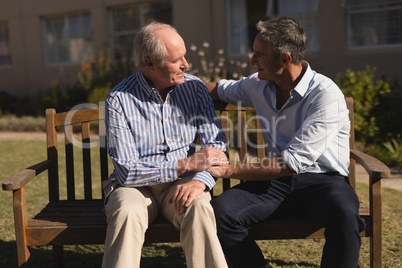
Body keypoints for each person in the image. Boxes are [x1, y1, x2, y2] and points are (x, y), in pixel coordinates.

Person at [206, 17, 366, 268]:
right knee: (218, 213)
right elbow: (217, 89)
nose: (251, 61)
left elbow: (292, 162)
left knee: (345, 213)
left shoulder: (325, 94)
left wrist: (228, 169)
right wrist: (171, 82)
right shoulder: (257, 84)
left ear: (285, 59)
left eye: (259, 55)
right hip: (274, 182)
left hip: (323, 182)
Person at [102, 22, 228, 268]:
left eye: (185, 56)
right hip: (136, 188)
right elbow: (127, 171)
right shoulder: (118, 100)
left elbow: (216, 146)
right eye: (176, 59)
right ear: (150, 64)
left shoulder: (195, 89)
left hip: (181, 184)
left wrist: (199, 180)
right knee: (126, 211)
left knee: (199, 206)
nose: (186, 65)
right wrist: (187, 164)